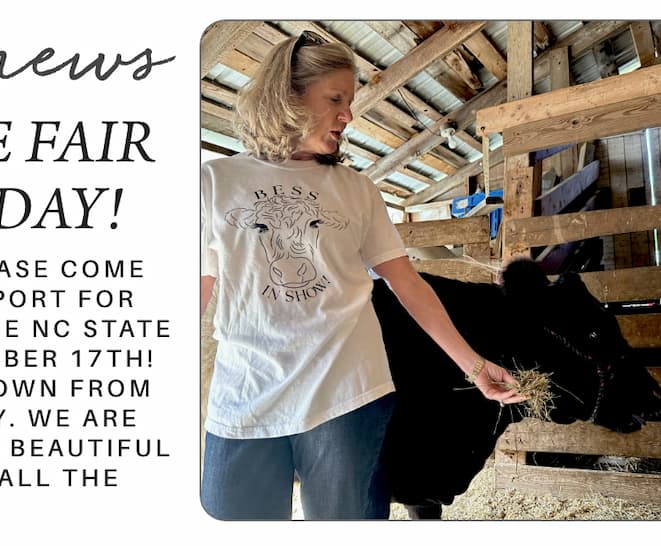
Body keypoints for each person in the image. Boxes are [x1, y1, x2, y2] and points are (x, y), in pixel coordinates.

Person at [199, 30, 525, 521]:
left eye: (349, 102)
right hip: (244, 392)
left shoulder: (357, 190)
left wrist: (475, 367)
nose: (348, 116)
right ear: (287, 95)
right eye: (335, 99)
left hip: (346, 395)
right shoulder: (215, 183)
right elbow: (195, 289)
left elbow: (408, 284)